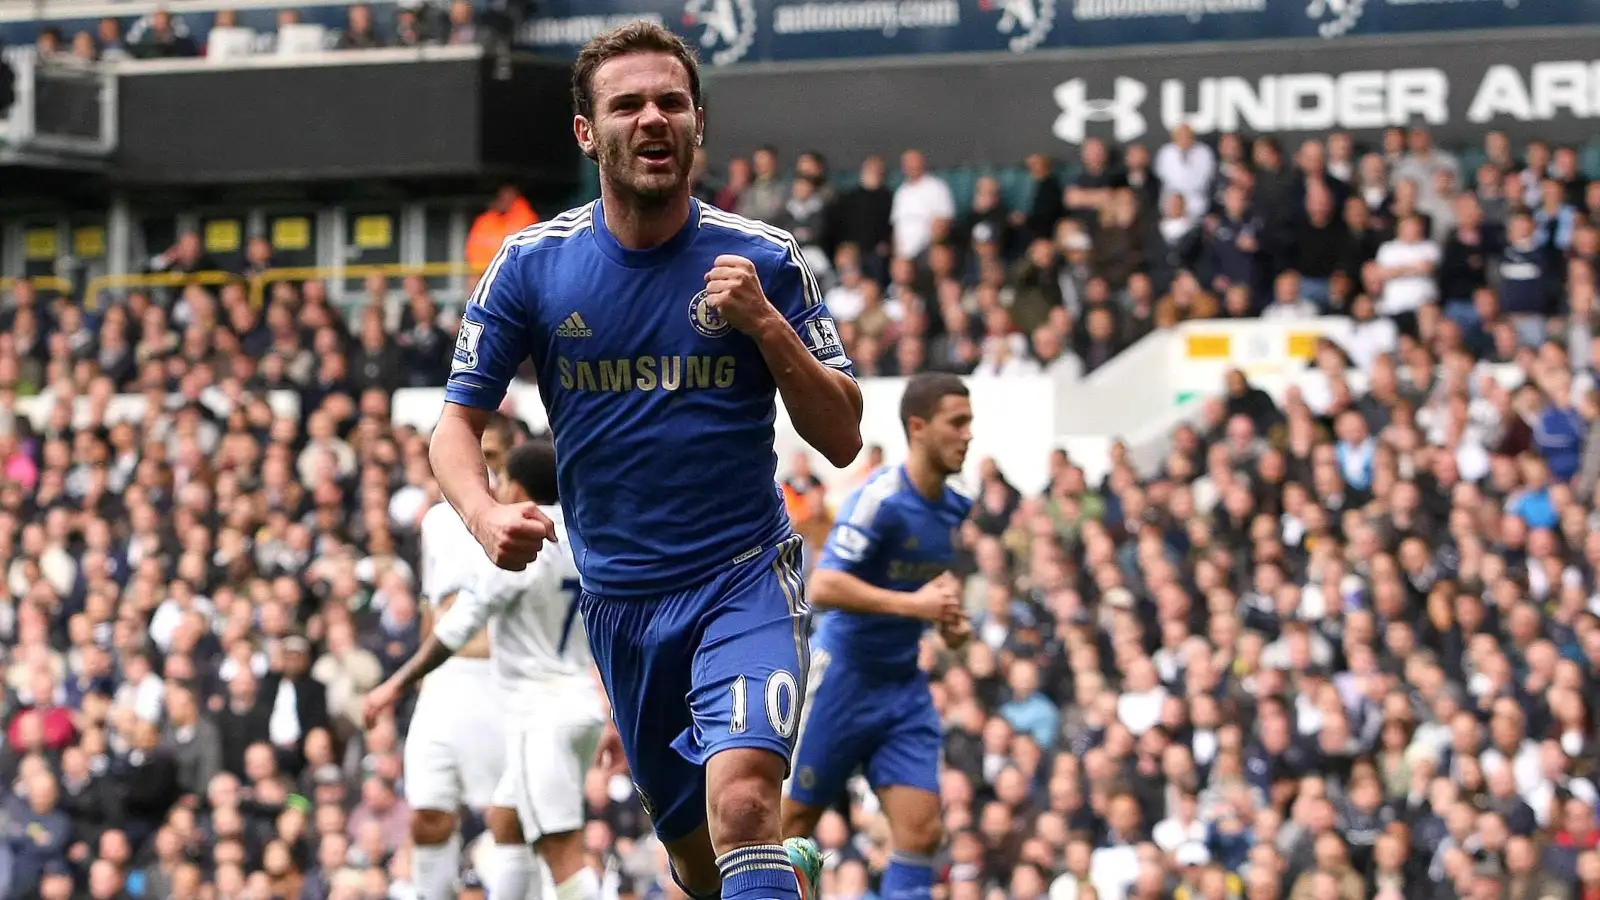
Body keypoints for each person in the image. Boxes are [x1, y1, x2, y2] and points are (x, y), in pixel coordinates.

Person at [432, 20, 862, 900]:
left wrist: (768, 327)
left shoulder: (767, 260)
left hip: (743, 579)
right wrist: (483, 514)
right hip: (622, 607)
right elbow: (452, 428)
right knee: (704, 869)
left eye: (671, 101)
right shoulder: (531, 266)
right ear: (589, 134)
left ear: (698, 122)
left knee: (744, 808)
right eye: (627, 104)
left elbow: (845, 435)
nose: (652, 118)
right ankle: (789, 880)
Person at [366, 437, 604, 900]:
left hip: (542, 714)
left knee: (562, 854)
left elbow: (456, 628)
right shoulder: (585, 536)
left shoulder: (520, 542)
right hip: (579, 703)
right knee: (505, 817)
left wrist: (395, 684)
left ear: (514, 486)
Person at [782, 373, 975, 900]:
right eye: (957, 423)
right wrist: (917, 605)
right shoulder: (881, 498)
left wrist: (953, 627)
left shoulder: (954, 509)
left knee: (922, 832)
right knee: (788, 823)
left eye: (970, 423)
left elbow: (938, 604)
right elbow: (824, 584)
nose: (968, 435)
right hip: (842, 675)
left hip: (902, 685)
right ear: (918, 427)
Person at [399, 414, 525, 900]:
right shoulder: (436, 523)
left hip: (505, 681)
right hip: (445, 686)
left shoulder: (538, 520)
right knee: (427, 814)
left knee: (509, 822)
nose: (480, 467)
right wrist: (421, 683)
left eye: (491, 456)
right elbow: (433, 609)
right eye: (473, 455)